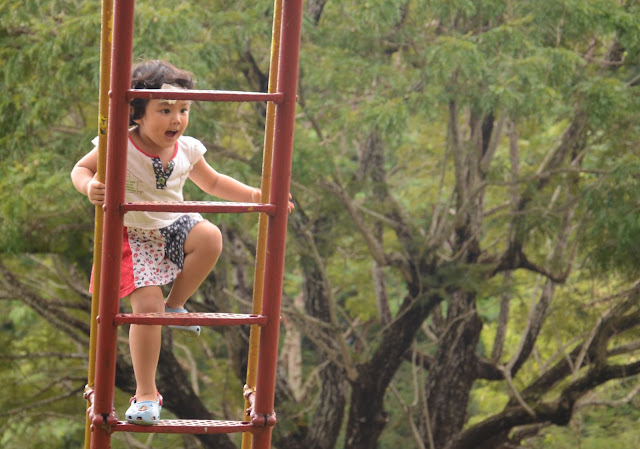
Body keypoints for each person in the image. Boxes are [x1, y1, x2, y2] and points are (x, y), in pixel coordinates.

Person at [71, 60, 290, 425]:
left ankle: (177, 306)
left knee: (209, 235)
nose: (177, 119)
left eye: (184, 110)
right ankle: (145, 394)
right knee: (145, 308)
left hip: (172, 224)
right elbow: (82, 169)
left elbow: (215, 184)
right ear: (137, 114)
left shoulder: (187, 149)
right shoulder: (118, 144)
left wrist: (258, 194)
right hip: (133, 233)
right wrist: (89, 186)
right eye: (165, 110)